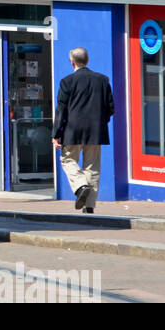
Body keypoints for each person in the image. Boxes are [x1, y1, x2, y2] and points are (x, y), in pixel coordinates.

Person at [52, 47, 114, 214]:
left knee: (67, 160)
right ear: (87, 61)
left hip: (72, 131)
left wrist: (56, 134)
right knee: (92, 167)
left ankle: (80, 187)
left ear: (72, 62)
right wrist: (100, 123)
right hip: (95, 132)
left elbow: (61, 110)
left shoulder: (67, 81)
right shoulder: (102, 80)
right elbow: (110, 108)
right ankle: (89, 206)